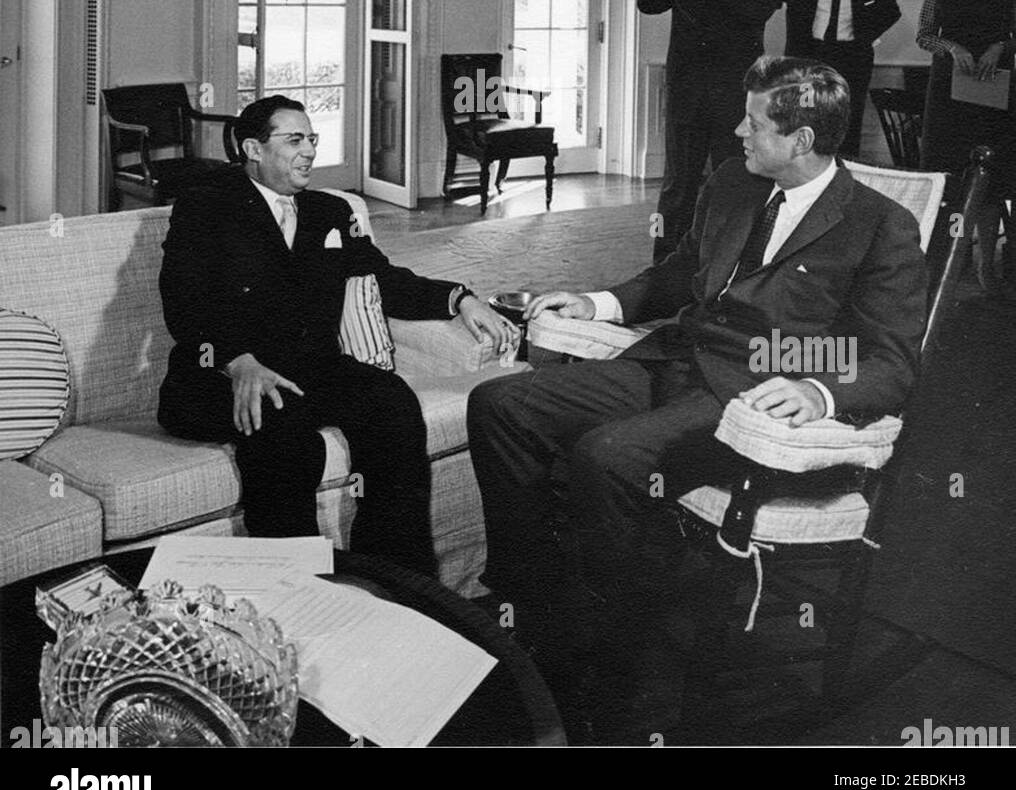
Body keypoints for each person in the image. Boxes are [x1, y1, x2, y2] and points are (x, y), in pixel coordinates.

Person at [467, 57, 925, 675]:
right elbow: (683, 271)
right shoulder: (733, 183)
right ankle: (535, 602)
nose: (738, 130)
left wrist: (817, 391)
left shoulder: (880, 225)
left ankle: (613, 642)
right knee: (502, 405)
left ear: (801, 140)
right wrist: (597, 302)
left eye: (754, 121)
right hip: (671, 360)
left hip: (746, 399)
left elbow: (891, 361)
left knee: (608, 456)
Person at [158, 94, 514, 576]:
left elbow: (383, 280)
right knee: (283, 428)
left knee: (392, 404)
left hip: (309, 366)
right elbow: (184, 300)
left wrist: (460, 299)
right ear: (253, 149)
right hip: (218, 373)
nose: (308, 151)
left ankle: (394, 578)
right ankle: (297, 586)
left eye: (312, 139)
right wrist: (236, 360)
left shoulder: (329, 212)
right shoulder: (206, 206)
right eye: (294, 140)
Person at [639, 0, 781, 261]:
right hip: (687, 90)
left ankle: (728, 265)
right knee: (677, 187)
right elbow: (648, 3)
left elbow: (755, 11)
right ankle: (665, 266)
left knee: (735, 181)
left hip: (734, 95)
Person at [917, 0, 1016, 297]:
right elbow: (924, 34)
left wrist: (1003, 45)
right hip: (950, 89)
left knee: (993, 178)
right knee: (951, 176)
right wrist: (950, 45)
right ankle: (947, 264)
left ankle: (984, 267)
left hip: (997, 85)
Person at [781, 0, 901, 157]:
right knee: (806, 114)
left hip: (851, 60)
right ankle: (805, 169)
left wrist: (864, 38)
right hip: (809, 57)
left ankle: (844, 171)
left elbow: (891, 12)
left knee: (847, 119)